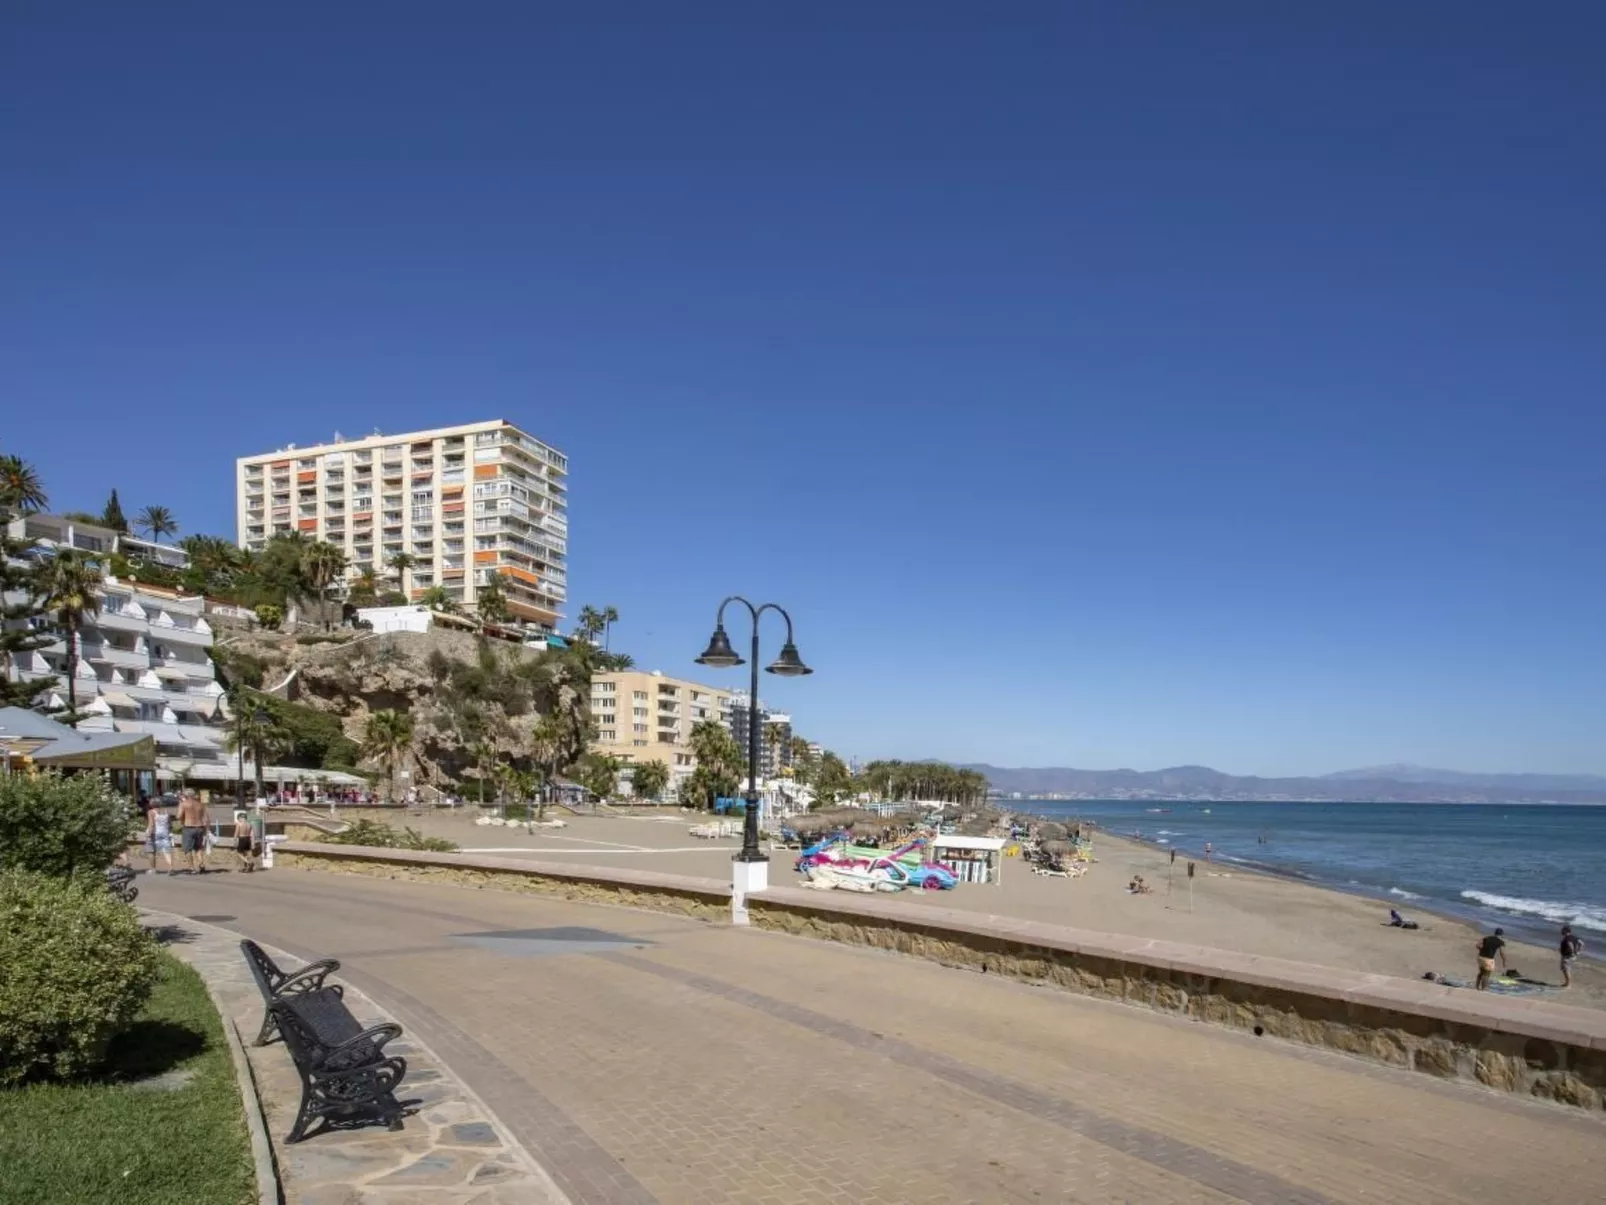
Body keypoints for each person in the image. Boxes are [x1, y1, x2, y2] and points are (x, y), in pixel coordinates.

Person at [175, 789, 209, 875]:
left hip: (189, 827)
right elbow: (206, 818)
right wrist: (206, 830)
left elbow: (178, 816)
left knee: (187, 849)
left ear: (185, 796)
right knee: (198, 848)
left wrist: (180, 805)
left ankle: (191, 868)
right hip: (199, 827)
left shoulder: (183, 804)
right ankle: (201, 865)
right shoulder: (200, 804)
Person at [145, 798, 175, 876]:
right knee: (166, 850)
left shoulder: (151, 812)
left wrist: (148, 834)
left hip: (155, 833)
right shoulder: (166, 812)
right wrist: (170, 831)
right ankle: (171, 867)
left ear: (152, 804)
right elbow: (170, 824)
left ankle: (153, 869)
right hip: (165, 832)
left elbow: (151, 824)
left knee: (151, 850)